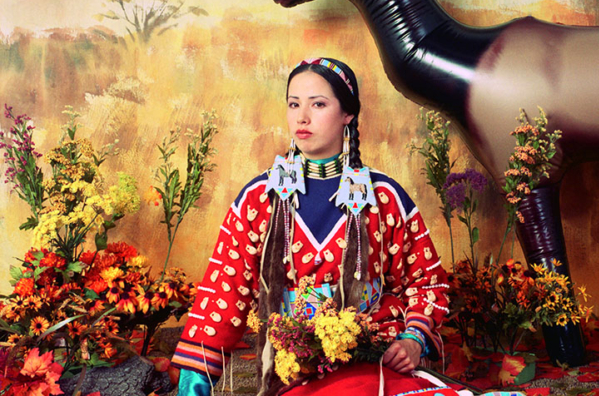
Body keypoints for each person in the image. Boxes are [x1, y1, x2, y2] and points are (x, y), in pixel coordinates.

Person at [171, 57, 452, 396]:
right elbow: (222, 296)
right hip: (294, 371)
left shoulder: (383, 197)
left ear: (347, 114)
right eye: (294, 104)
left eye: (318, 104)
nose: (301, 118)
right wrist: (193, 386)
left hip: (373, 363)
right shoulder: (259, 199)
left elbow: (426, 283)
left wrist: (412, 340)